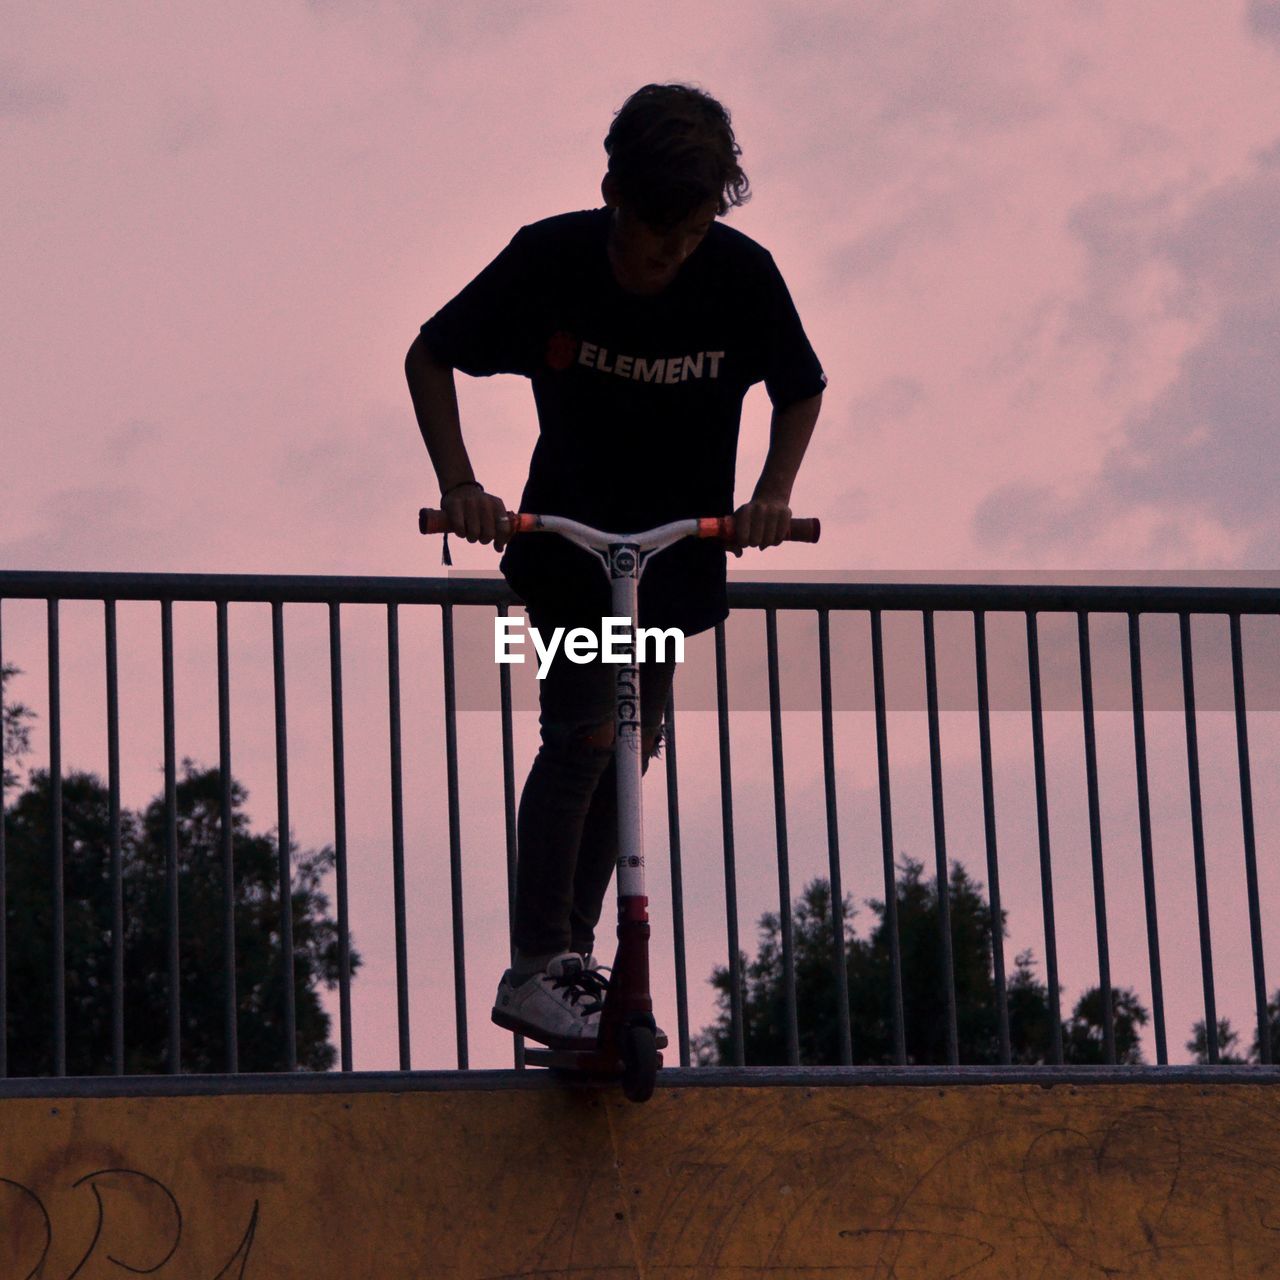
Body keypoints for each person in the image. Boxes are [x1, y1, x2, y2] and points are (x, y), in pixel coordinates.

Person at [405, 83, 826, 1051]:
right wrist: (461, 483)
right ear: (611, 195)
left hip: (675, 550)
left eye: (685, 242)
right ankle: (536, 963)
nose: (666, 260)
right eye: (650, 242)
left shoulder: (739, 273)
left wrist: (768, 495)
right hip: (562, 547)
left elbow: (800, 388)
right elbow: (428, 357)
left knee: (632, 748)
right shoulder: (548, 256)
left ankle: (574, 965)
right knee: (586, 731)